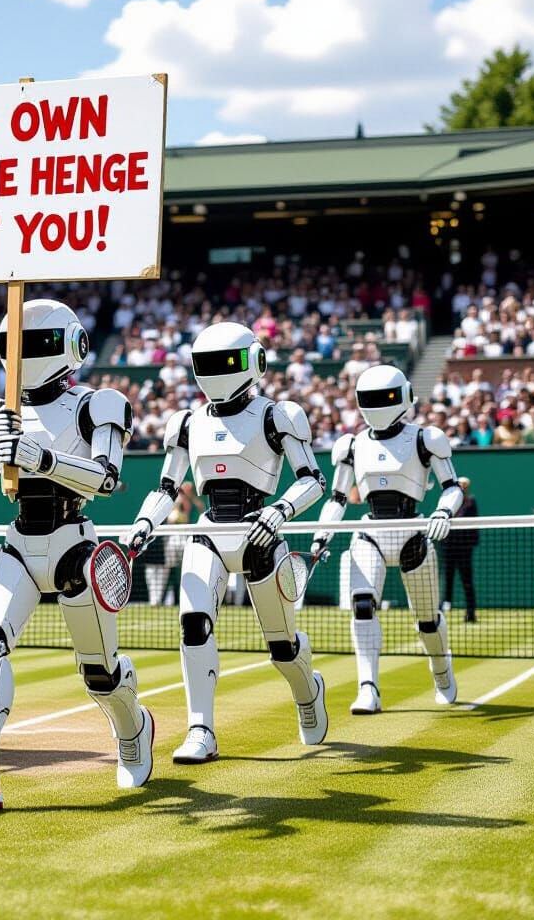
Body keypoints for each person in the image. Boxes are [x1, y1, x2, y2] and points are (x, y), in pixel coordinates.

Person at [0, 299, 154, 814]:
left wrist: (43, 458)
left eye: (36, 343)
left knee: (99, 672)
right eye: (17, 344)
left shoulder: (96, 404)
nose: (25, 353)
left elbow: (107, 479)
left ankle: (133, 726)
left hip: (75, 542)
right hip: (18, 543)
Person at [125, 322, 328, 765]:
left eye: (225, 362)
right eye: (208, 363)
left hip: (261, 533)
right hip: (210, 531)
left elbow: (313, 480)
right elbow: (166, 486)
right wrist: (144, 522)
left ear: (253, 362)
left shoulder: (278, 415)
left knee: (282, 646)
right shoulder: (186, 422)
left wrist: (279, 512)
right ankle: (201, 728)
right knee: (193, 623)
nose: (216, 371)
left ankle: (307, 689)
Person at [313, 365, 464, 715]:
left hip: (413, 531)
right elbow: (337, 497)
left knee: (427, 619)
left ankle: (441, 672)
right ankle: (368, 686)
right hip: (371, 532)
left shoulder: (425, 438)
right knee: (362, 605)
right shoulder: (351, 445)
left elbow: (451, 488)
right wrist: (322, 535)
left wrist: (443, 512)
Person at [442, 477, 479, 623]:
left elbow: (473, 526)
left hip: (464, 549)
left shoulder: (471, 502)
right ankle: (443, 610)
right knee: (447, 580)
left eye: (464, 486)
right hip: (449, 548)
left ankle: (471, 613)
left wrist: (470, 544)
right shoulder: (449, 504)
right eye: (460, 485)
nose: (462, 488)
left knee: (467, 582)